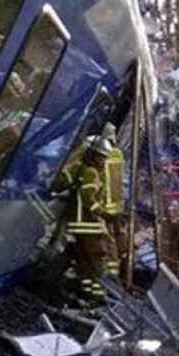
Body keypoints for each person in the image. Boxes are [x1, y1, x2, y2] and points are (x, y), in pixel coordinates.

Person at [64, 123, 124, 302]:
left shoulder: (85, 168)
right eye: (101, 158)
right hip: (89, 223)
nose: (103, 161)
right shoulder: (90, 173)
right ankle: (100, 295)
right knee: (100, 258)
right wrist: (105, 214)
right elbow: (89, 200)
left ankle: (89, 292)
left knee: (86, 262)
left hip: (82, 222)